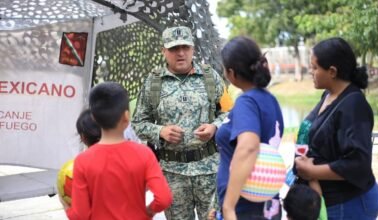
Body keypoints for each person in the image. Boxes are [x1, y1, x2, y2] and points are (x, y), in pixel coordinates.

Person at [132, 26, 226, 220]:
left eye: (185, 47)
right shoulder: (153, 82)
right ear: (164, 51)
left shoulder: (211, 77)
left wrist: (214, 126)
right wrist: (160, 131)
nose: (181, 53)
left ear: (193, 48)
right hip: (172, 173)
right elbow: (138, 122)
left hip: (209, 169)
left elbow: (230, 114)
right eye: (174, 48)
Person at [294, 37, 378, 219]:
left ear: (332, 71)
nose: (310, 72)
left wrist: (312, 172)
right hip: (330, 199)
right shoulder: (329, 94)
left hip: (349, 202)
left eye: (315, 68)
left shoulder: (353, 106)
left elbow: (358, 164)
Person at [63, 82, 173, 220]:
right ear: (126, 117)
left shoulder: (82, 161)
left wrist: (66, 207)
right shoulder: (144, 154)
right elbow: (164, 198)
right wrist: (149, 211)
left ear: (94, 118)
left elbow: (81, 215)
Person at [216, 36, 284, 220]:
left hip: (246, 209)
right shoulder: (268, 99)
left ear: (231, 73)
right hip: (266, 206)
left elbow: (248, 147)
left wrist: (229, 207)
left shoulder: (247, 101)